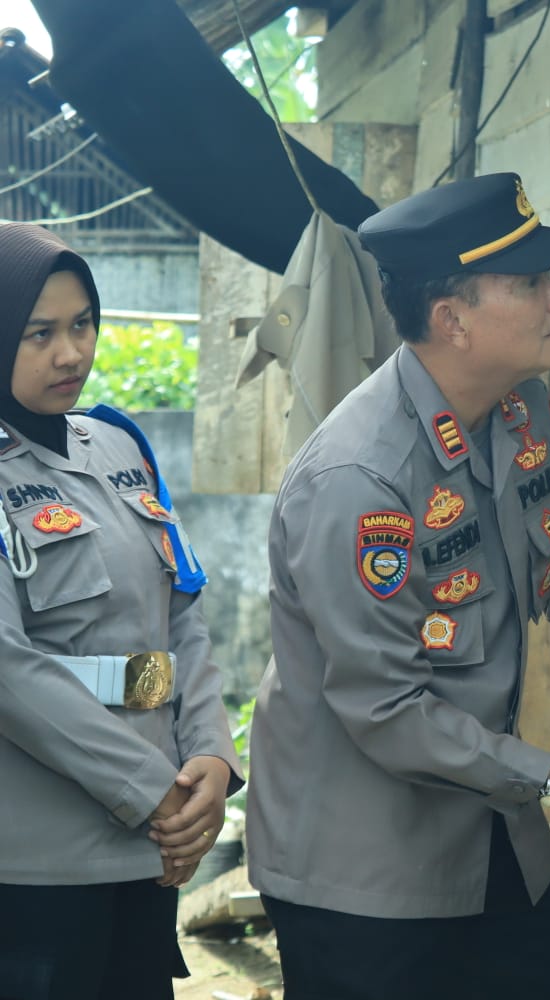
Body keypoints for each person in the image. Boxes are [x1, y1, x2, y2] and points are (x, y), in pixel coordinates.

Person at [244, 172, 550, 1000]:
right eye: (530, 282)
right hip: (367, 874)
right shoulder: (361, 478)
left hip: (493, 829)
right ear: (452, 319)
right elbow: (387, 713)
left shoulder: (519, 409)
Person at [0, 223, 242, 1000]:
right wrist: (154, 792)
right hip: (39, 864)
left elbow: (182, 614)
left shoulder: (117, 448)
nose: (71, 353)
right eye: (39, 334)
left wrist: (210, 754)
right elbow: (10, 672)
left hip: (149, 848)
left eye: (83, 324)